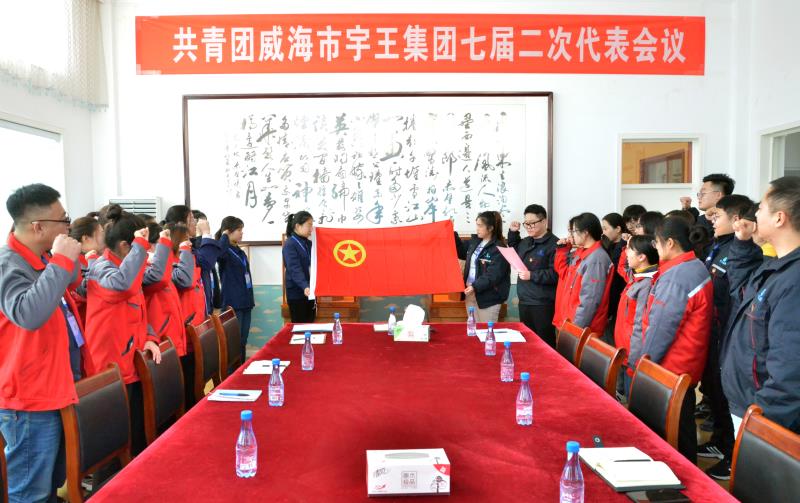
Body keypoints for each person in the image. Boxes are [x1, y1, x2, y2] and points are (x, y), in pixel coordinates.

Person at [0, 184, 83, 502]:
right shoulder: (8, 265)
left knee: (49, 485)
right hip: (29, 399)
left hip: (54, 387)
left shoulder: (40, 258)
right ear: (38, 227)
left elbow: (71, 281)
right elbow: (28, 314)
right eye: (63, 220)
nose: (68, 226)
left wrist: (63, 258)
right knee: (30, 493)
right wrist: (60, 260)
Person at [722, 176, 800, 439]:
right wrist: (743, 242)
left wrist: (761, 426)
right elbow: (740, 289)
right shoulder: (777, 265)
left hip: (764, 415)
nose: (755, 214)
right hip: (748, 402)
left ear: (779, 218)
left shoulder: (794, 280)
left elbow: (790, 369)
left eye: (761, 208)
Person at [83, 206, 162, 456]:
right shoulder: (102, 268)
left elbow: (138, 311)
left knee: (135, 437)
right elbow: (123, 286)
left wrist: (149, 338)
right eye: (141, 247)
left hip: (131, 361)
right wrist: (140, 246)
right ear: (126, 246)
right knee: (112, 444)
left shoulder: (128, 267)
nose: (146, 251)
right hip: (110, 368)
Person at [640, 216, 713, 463]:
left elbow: (662, 328)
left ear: (670, 243)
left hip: (673, 367)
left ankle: (685, 479)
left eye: (656, 243)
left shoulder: (678, 276)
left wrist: (645, 364)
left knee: (676, 436)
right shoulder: (692, 266)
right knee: (681, 429)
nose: (655, 248)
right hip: (684, 365)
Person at [696, 194, 754, 479]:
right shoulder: (718, 247)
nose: (712, 221)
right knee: (715, 390)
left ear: (736, 219)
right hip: (714, 329)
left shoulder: (743, 252)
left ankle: (731, 452)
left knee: (725, 392)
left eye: (717, 217)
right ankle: (720, 441)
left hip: (727, 332)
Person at [554, 212, 614, 334]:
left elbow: (589, 301)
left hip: (581, 328)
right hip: (570, 322)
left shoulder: (596, 258)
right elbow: (564, 274)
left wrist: (574, 330)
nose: (571, 235)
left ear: (585, 232)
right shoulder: (581, 253)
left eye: (574, 231)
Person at [507, 204, 559, 347]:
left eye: (532, 223)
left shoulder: (554, 244)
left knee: (544, 343)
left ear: (544, 221)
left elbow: (555, 274)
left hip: (542, 303)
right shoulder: (526, 241)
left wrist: (532, 275)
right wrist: (513, 233)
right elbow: (514, 250)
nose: (529, 227)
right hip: (524, 300)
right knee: (527, 341)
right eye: (526, 224)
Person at [614, 235, 658, 398]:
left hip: (632, 354)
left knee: (632, 399)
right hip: (625, 349)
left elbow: (640, 325)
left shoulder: (646, 284)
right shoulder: (636, 277)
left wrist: (633, 361)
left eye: (630, 249)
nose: (626, 253)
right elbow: (622, 266)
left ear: (642, 257)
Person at [164, 205, 228, 316]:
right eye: (192, 219)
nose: (195, 222)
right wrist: (206, 234)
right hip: (187, 315)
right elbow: (206, 262)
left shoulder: (188, 245)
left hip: (199, 311)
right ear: (181, 224)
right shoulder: (176, 249)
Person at [454, 211, 511, 323]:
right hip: (470, 292)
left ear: (490, 228)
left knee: (486, 329)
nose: (477, 229)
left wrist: (475, 286)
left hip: (488, 297)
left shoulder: (499, 247)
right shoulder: (475, 242)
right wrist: (452, 233)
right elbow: (461, 251)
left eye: (480, 226)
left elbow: (493, 275)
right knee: (473, 328)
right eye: (477, 225)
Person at [216, 216, 254, 360]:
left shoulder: (240, 251)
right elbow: (219, 254)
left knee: (243, 340)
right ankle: (233, 371)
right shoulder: (224, 251)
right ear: (229, 231)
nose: (241, 233)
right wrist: (224, 236)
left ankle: (241, 368)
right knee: (233, 342)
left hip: (246, 302)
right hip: (233, 303)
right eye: (238, 230)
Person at [67, 214, 105, 322]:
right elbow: (88, 290)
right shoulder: (75, 264)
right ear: (86, 238)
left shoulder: (93, 259)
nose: (105, 237)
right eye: (101, 233)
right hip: (85, 323)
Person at [283, 211, 316, 323]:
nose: (311, 229)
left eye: (312, 225)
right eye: (309, 225)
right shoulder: (290, 244)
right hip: (298, 293)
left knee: (310, 325)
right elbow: (294, 268)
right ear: (298, 226)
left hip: (310, 291)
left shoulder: (308, 243)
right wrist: (304, 286)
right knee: (300, 327)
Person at [601, 212, 627, 344]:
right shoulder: (607, 245)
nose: (603, 232)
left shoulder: (626, 247)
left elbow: (616, 270)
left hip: (618, 297)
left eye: (606, 228)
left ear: (618, 229)